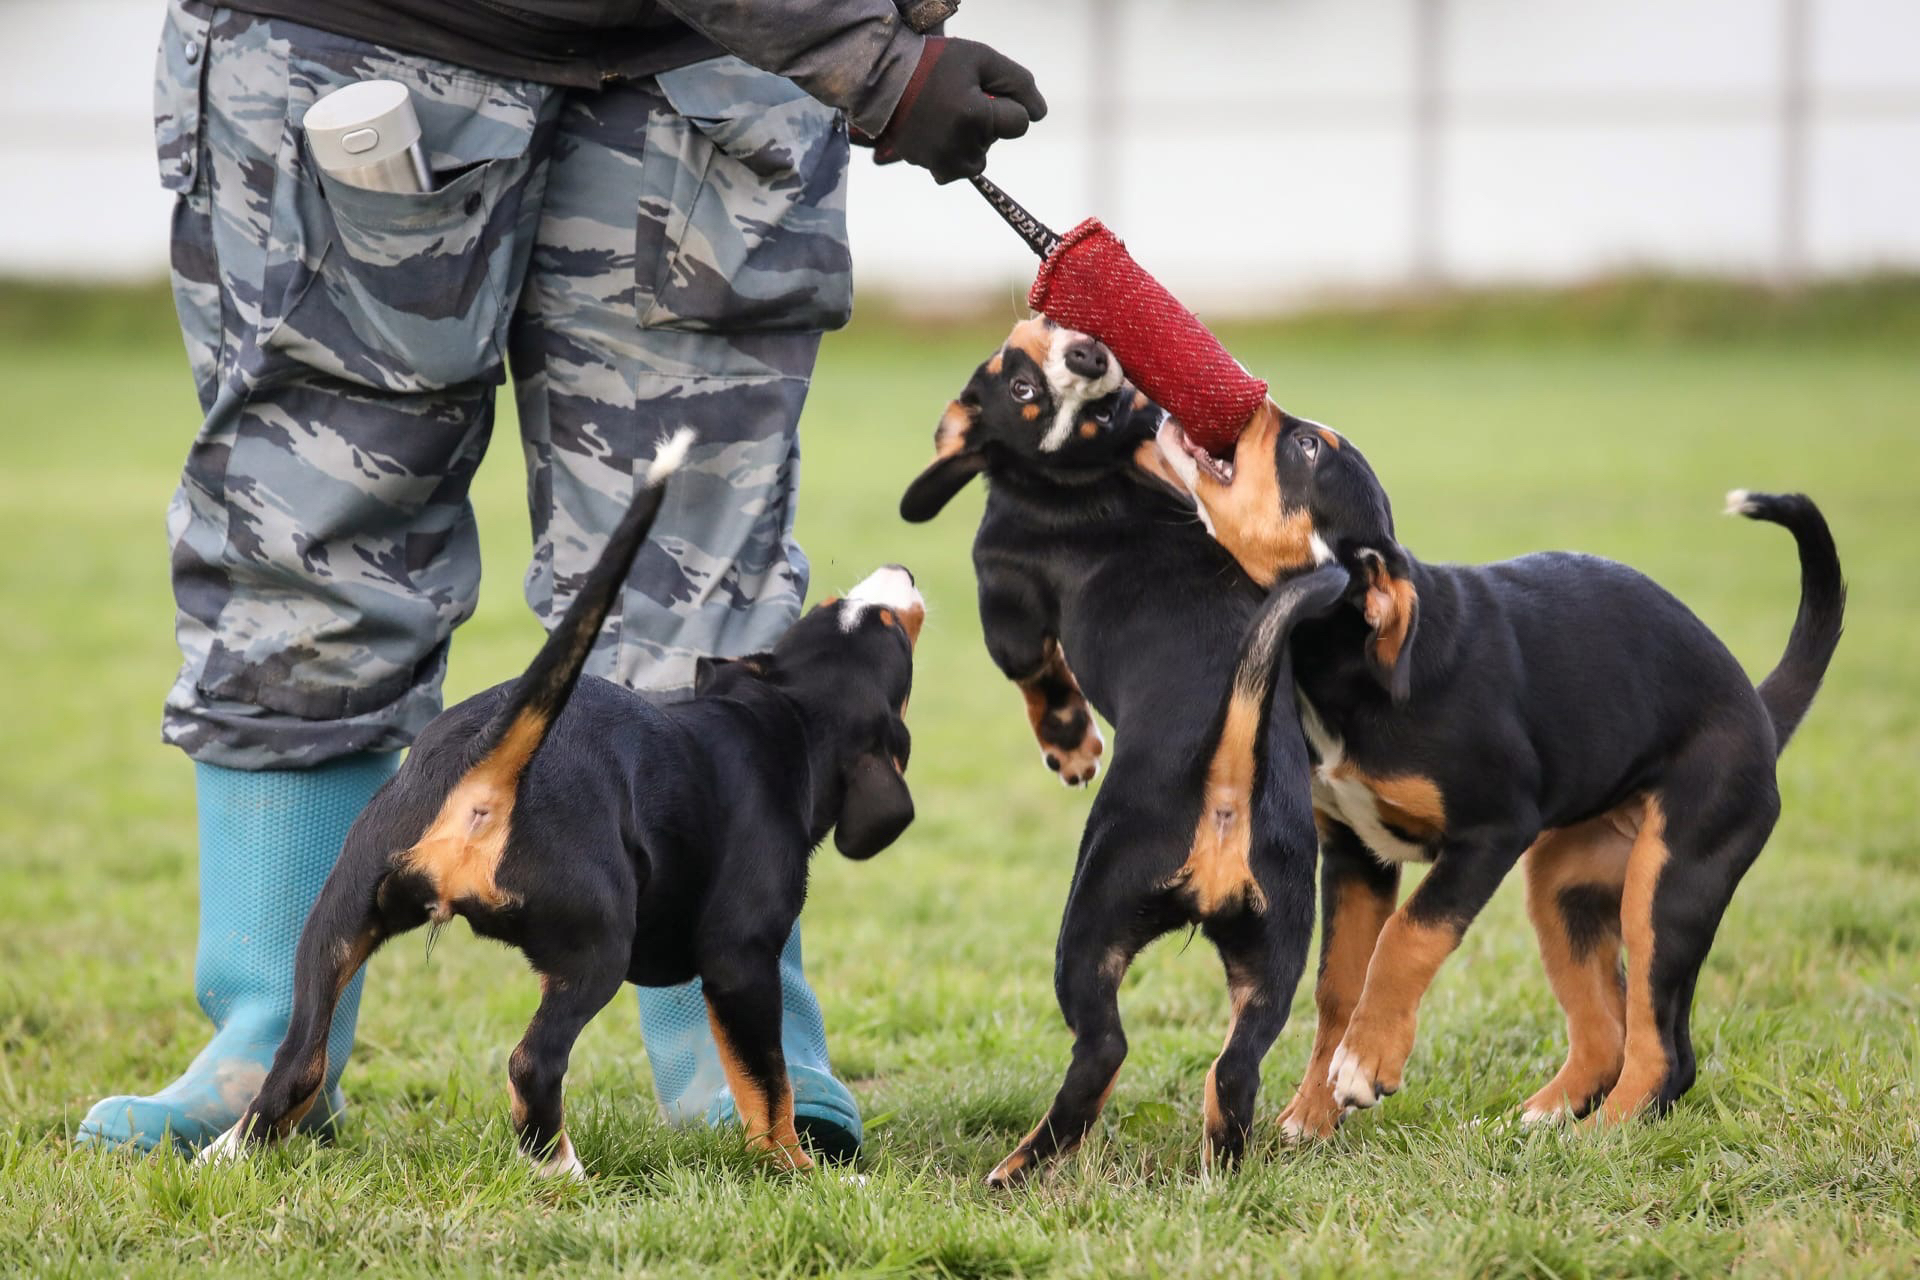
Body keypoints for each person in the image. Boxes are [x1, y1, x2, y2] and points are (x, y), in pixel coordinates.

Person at [78, 0, 1044, 1157]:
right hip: (358, 35)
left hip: (705, 73)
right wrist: (873, 60)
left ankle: (735, 1056)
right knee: (310, 541)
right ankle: (269, 1043)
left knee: (700, 562)